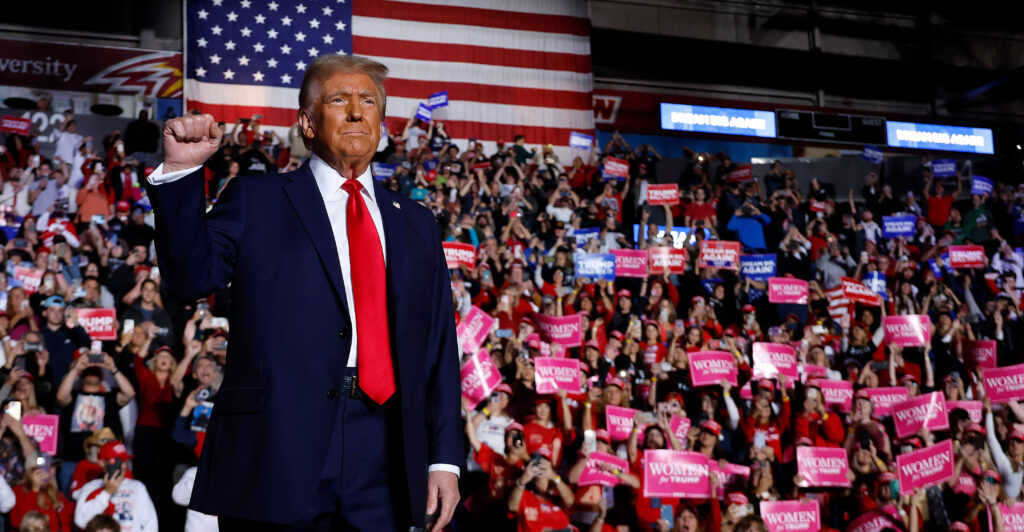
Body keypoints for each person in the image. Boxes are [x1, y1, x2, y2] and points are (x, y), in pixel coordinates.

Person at [146, 54, 461, 530]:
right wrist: (182, 174)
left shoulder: (415, 221)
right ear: (307, 123)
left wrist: (444, 459)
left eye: (369, 102)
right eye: (339, 100)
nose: (357, 112)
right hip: (277, 445)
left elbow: (439, 346)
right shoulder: (257, 198)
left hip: (386, 448)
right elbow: (190, 279)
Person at [74, 441, 157, 531]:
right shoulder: (91, 487)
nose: (123, 465)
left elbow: (150, 524)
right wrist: (107, 492)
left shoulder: (137, 487)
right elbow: (81, 521)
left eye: (125, 461)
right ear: (102, 462)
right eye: (118, 461)